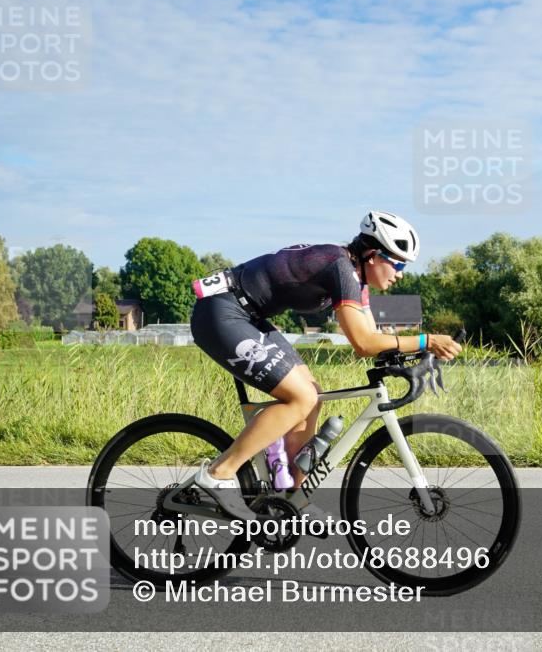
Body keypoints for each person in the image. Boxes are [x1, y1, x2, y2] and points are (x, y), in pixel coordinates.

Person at [189, 211, 461, 519]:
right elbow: (363, 343)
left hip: (248, 314)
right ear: (373, 255)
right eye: (398, 264)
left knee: (312, 397)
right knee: (300, 397)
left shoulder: (356, 280)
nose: (400, 274)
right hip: (221, 312)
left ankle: (291, 498)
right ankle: (219, 473)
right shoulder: (340, 268)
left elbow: (374, 340)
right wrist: (426, 341)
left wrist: (409, 358)